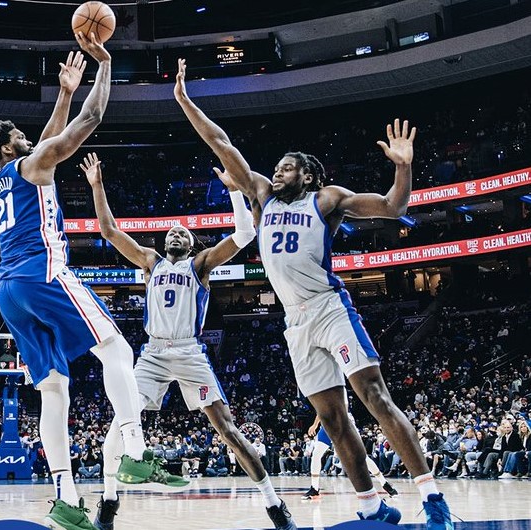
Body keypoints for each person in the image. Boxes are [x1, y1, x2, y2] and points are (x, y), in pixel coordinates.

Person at [173, 57, 453, 529]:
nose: (276, 173)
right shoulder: (261, 196)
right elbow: (221, 143)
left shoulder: (326, 199)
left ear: (307, 175)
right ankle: (370, 505)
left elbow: (393, 206)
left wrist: (403, 168)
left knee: (375, 397)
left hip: (329, 308)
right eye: (276, 169)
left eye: (286, 169)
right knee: (333, 420)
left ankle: (433, 500)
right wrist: (183, 99)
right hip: (294, 322)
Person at [0, 34, 184, 530]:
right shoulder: (32, 163)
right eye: (20, 136)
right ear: (11, 146)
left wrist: (66, 92)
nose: (29, 138)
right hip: (45, 273)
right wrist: (104, 66)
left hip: (9, 292)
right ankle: (135, 449)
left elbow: (48, 143)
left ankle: (67, 498)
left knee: (54, 392)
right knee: (115, 348)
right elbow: (86, 125)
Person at [81, 152, 296, 530]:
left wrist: (233, 192)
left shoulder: (200, 265)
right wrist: (97, 186)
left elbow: (245, 235)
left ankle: (274, 505)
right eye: (171, 233)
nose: (175, 234)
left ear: (192, 243)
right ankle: (109, 502)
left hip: (189, 350)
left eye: (182, 233)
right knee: (121, 422)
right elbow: (109, 232)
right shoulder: (150, 262)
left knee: (227, 430)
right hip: (152, 352)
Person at [302, 413, 398, 499]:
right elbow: (321, 408)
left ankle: (384, 483)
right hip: (327, 425)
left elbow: (330, 406)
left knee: (362, 457)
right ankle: (314, 487)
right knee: (316, 455)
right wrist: (316, 424)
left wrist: (316, 424)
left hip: (344, 423)